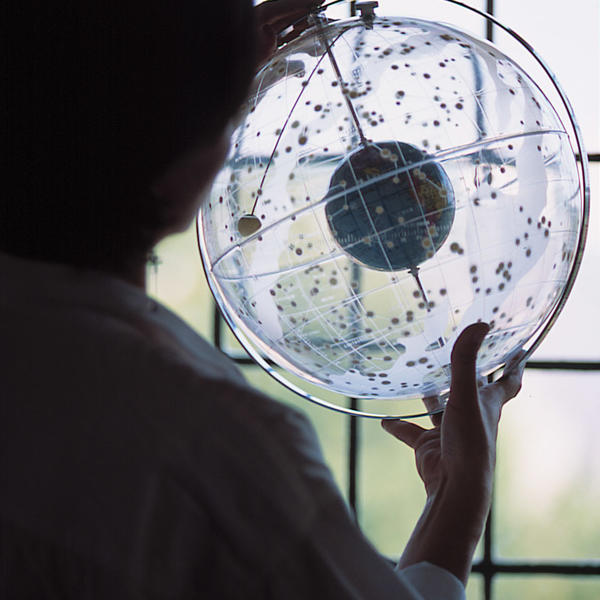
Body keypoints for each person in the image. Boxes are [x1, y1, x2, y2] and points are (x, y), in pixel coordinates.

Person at [0, 1, 526, 598]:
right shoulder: (218, 447)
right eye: (226, 118)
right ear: (187, 171)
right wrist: (463, 493)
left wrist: (187, 69)